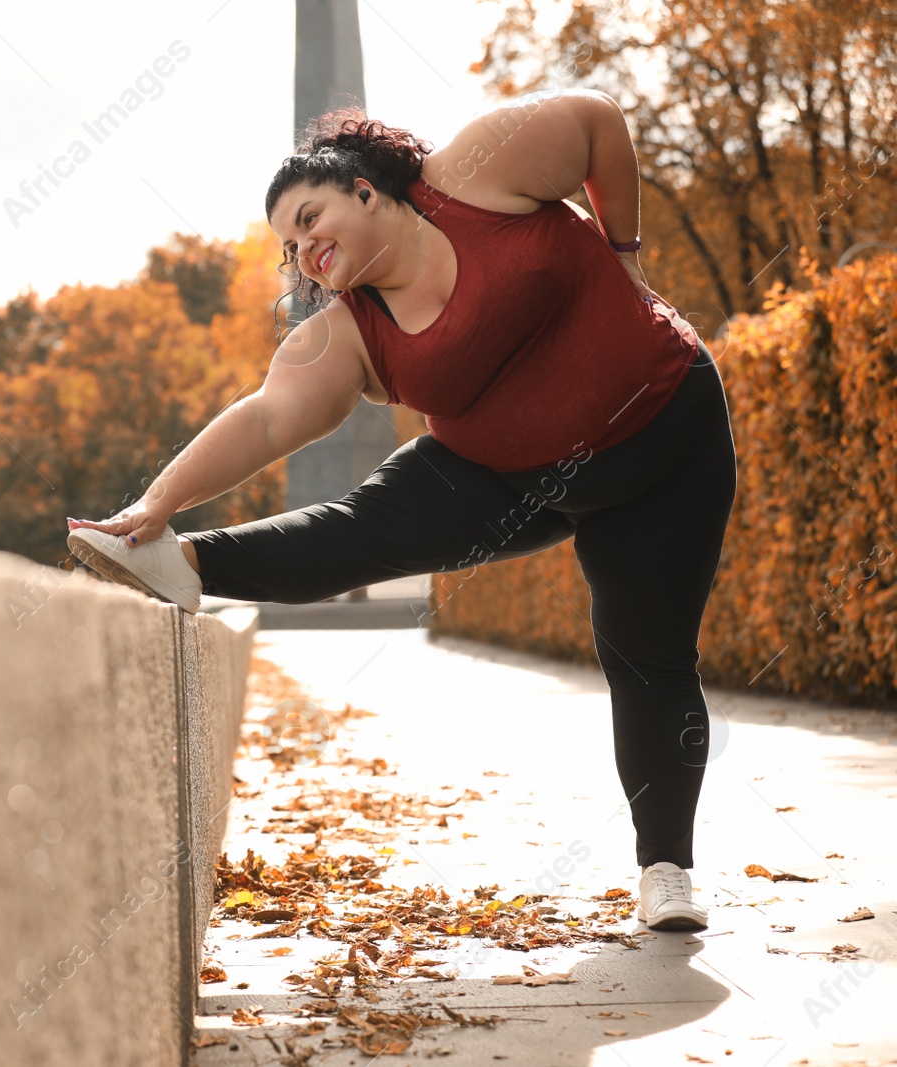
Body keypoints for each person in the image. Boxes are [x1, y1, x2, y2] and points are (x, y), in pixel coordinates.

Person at [65, 89, 736, 931]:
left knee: (648, 657)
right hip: (510, 478)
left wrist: (625, 252)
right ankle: (187, 562)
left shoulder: (475, 174)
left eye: (311, 218)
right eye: (291, 245)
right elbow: (266, 417)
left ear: (366, 190)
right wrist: (154, 504)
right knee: (370, 520)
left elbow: (600, 121)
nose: (306, 249)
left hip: (666, 441)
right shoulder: (347, 332)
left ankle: (665, 868)